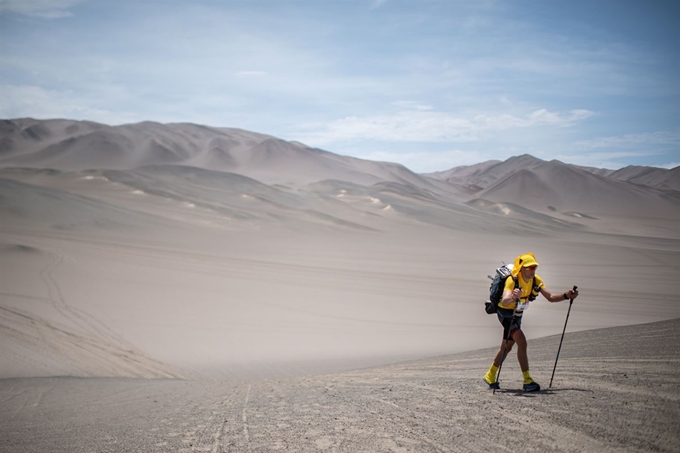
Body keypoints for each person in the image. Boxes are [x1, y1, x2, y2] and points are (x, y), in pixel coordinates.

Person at [483, 253, 579, 391]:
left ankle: (490, 374)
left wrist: (566, 296)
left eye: (534, 267)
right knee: (522, 341)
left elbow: (551, 297)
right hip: (505, 313)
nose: (533, 270)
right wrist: (512, 296)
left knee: (507, 347)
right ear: (522, 268)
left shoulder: (535, 280)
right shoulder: (512, 280)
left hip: (518, 314)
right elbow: (504, 300)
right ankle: (527, 380)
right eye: (529, 268)